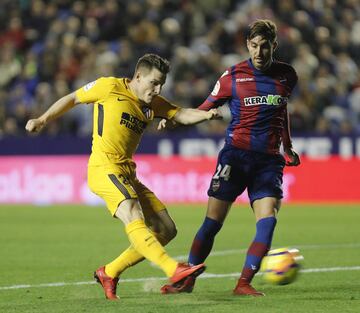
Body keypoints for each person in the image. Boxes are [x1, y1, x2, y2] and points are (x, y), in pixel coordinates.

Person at [25, 53, 221, 300]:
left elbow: (179, 113)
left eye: (161, 84)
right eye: (154, 82)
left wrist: (206, 114)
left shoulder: (153, 103)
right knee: (133, 213)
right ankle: (175, 270)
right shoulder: (108, 86)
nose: (157, 89)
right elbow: (74, 97)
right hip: (103, 168)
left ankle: (109, 271)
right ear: (138, 76)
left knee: (166, 230)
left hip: (128, 172)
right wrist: (42, 119)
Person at [160, 19, 300, 296]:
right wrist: (176, 120)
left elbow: (281, 111)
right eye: (254, 46)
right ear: (248, 44)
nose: (259, 52)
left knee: (268, 220)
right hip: (235, 157)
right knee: (212, 223)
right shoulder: (232, 77)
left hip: (269, 161)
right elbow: (205, 107)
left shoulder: (287, 75)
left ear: (274, 45)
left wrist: (288, 146)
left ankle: (244, 283)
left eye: (264, 46)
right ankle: (187, 277)